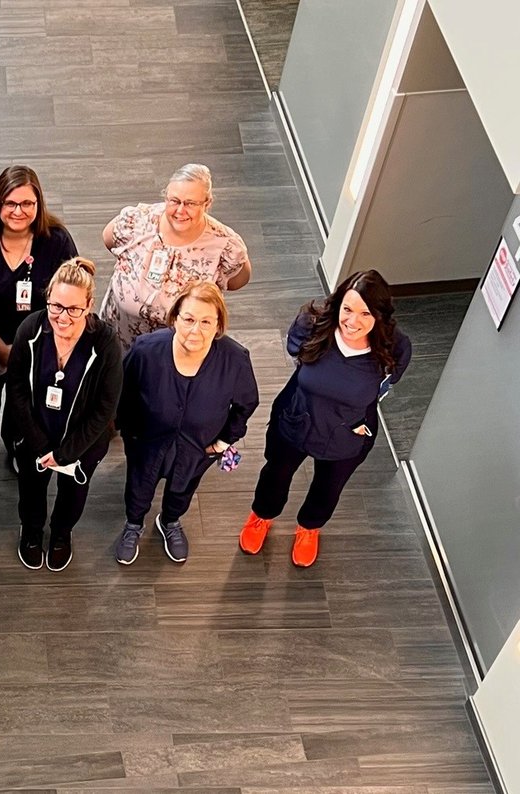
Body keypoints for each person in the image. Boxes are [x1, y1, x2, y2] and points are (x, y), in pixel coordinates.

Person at [238, 270, 411, 567]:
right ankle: (262, 516)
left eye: (365, 313)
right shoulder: (311, 326)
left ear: (380, 316)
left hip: (347, 433)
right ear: (338, 304)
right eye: (348, 309)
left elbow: (384, 387)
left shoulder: (394, 348)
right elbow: (297, 357)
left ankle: (309, 527)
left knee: (329, 487)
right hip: (296, 418)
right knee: (276, 474)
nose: (353, 322)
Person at [113, 283, 259, 566]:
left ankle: (169, 521)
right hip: (146, 443)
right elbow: (124, 391)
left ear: (218, 326)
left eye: (206, 322)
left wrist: (224, 441)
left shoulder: (236, 361)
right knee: (139, 486)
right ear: (175, 317)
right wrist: (128, 431)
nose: (196, 330)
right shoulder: (146, 351)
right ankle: (134, 525)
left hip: (197, 447)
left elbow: (246, 404)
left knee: (183, 488)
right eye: (189, 319)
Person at [0, 165, 79, 471]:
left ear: (39, 204)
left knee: (24, 400)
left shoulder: (57, 241)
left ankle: (17, 443)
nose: (18, 211)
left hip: (40, 339)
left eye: (27, 203)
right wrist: (1, 349)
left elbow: (70, 296)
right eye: (10, 203)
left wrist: (25, 349)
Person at [5, 256, 122, 571]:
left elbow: (105, 407)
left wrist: (67, 452)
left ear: (89, 305)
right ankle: (31, 530)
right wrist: (42, 447)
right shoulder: (30, 329)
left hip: (82, 444)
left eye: (74, 309)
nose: (63, 316)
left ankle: (60, 533)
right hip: (35, 438)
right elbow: (15, 388)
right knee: (30, 490)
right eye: (56, 306)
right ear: (47, 299)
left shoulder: (106, 342)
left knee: (73, 495)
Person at [99, 163, 252, 354]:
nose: (180, 210)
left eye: (190, 203)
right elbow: (108, 239)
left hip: (173, 353)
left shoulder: (225, 246)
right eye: (174, 201)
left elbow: (238, 280)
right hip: (118, 338)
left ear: (207, 203)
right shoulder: (135, 221)